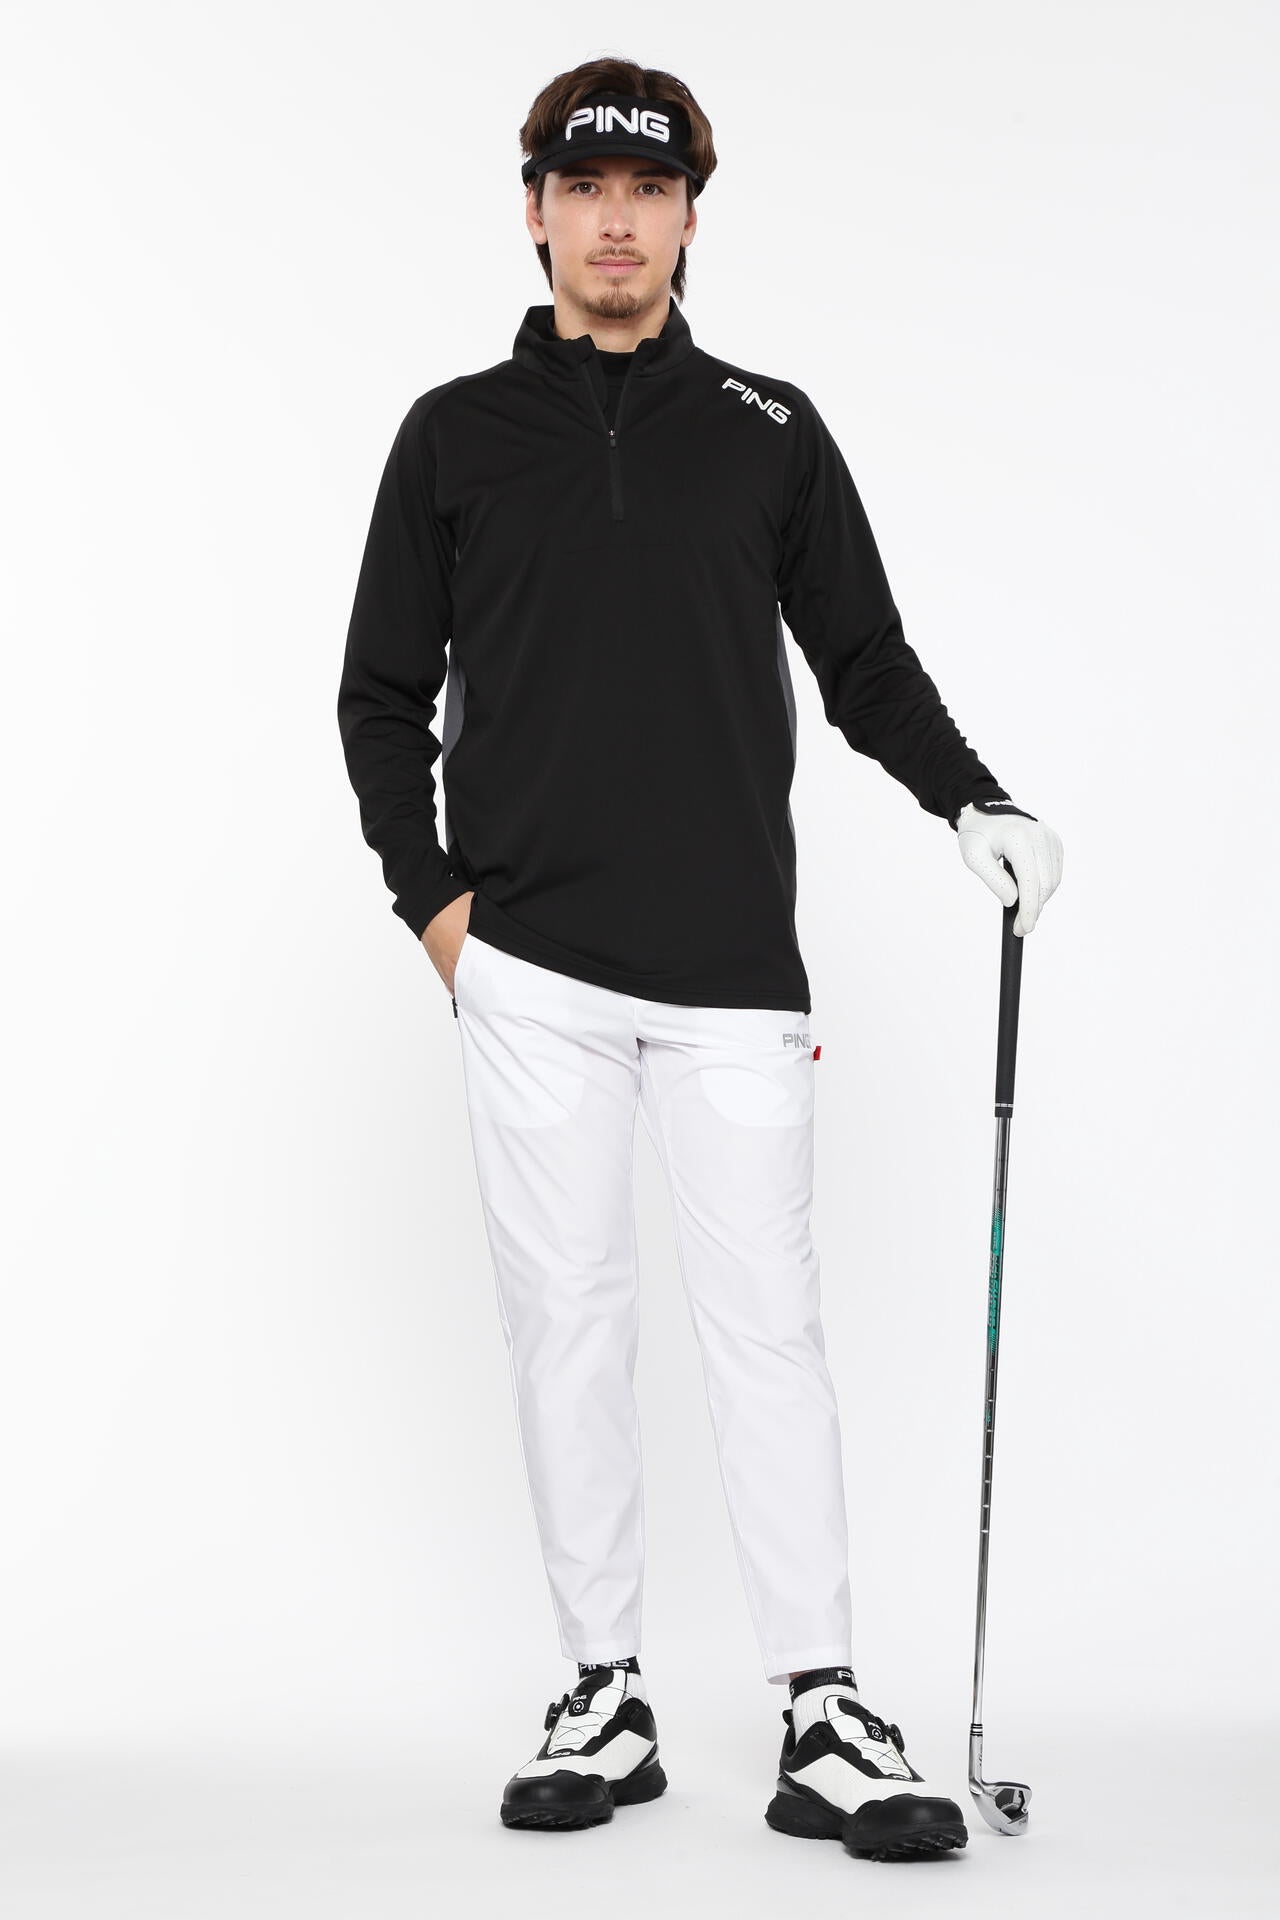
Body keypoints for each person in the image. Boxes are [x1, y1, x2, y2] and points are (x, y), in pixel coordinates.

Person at [336, 56, 1064, 1859]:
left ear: (686, 216)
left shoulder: (767, 429)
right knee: (567, 1328)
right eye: (583, 187)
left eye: (648, 190)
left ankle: (824, 1705)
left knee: (768, 1335)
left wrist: (974, 801)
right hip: (531, 968)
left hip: (733, 965)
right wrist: (439, 914)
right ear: (534, 211)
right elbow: (378, 696)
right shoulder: (451, 434)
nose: (615, 220)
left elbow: (864, 660)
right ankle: (606, 1690)